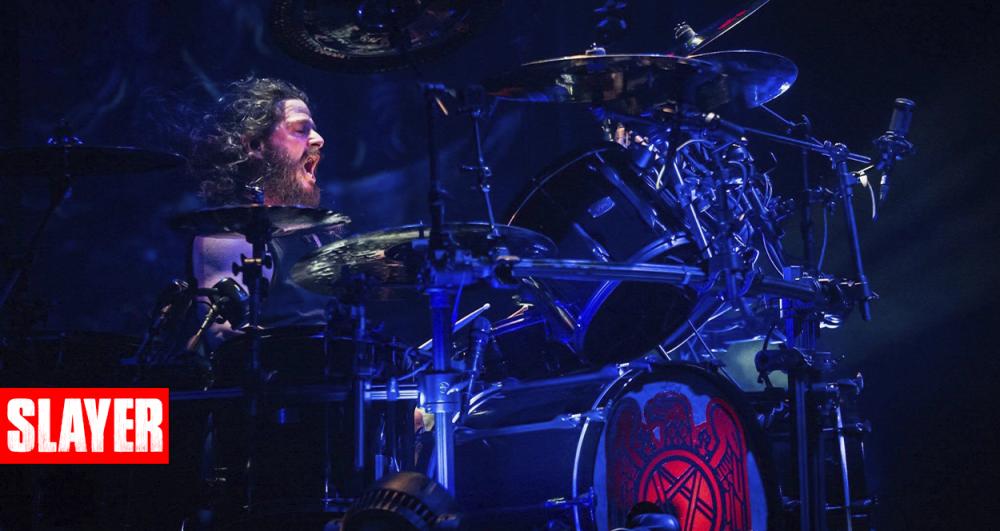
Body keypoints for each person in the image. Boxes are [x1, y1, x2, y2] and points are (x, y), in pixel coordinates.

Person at [188, 77, 341, 342]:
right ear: (255, 146)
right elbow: (224, 338)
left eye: (314, 130)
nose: (319, 139)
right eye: (301, 130)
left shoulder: (312, 233)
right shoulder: (228, 237)